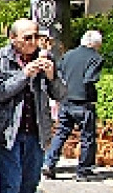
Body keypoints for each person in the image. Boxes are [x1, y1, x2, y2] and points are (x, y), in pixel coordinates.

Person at [0, 18, 67, 193]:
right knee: (10, 183)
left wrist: (52, 76)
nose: (33, 42)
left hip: (36, 131)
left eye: (36, 37)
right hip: (9, 131)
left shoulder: (46, 58)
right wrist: (24, 75)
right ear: (13, 39)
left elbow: (61, 93)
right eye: (27, 38)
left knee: (30, 182)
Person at [42, 30, 104, 181]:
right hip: (83, 102)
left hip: (66, 100)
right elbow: (90, 79)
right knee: (87, 137)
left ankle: (49, 163)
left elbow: (59, 74)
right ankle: (83, 170)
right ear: (96, 44)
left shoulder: (69, 55)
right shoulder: (96, 58)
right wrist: (90, 95)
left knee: (61, 132)